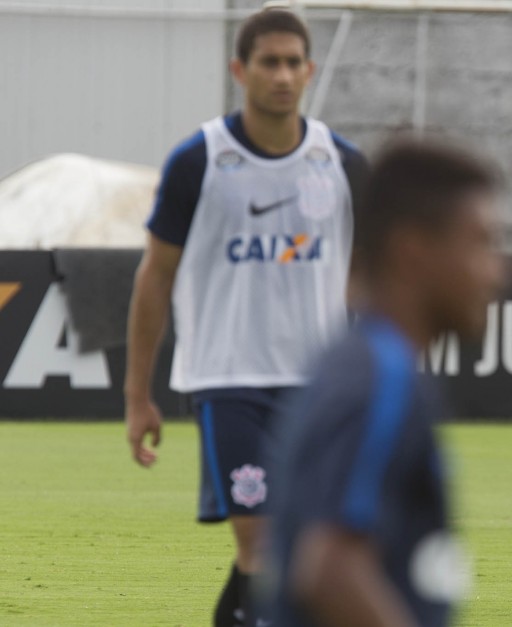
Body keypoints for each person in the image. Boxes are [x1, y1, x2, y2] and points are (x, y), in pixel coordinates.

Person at [123, 9, 367, 627]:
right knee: (259, 542)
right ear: (240, 70)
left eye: (293, 63)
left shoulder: (341, 163)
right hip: (227, 380)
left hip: (317, 385)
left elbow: (377, 276)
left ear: (309, 71)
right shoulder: (199, 161)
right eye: (269, 62)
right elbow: (155, 275)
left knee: (301, 548)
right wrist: (137, 394)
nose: (282, 76)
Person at [264, 140, 509, 627]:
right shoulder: (381, 377)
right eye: (480, 243)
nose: (500, 270)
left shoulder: (362, 363)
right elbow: (330, 570)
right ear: (412, 252)